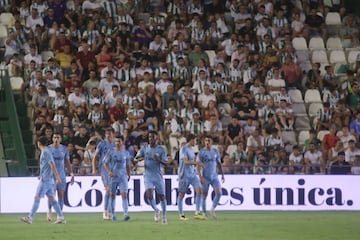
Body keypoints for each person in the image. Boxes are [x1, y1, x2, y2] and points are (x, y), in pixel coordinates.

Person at [20, 136, 66, 224]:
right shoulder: (46, 151)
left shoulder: (45, 152)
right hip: (48, 179)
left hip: (45, 180)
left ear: (39, 143)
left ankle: (30, 217)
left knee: (37, 197)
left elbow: (52, 164)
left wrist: (57, 177)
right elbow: (47, 165)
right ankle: (61, 217)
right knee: (52, 199)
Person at [134, 131, 168, 224]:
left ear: (156, 138)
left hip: (157, 176)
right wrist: (139, 158)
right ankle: (156, 210)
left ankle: (164, 216)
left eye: (152, 137)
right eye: (149, 137)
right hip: (148, 176)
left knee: (162, 196)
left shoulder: (161, 150)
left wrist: (159, 160)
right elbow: (136, 158)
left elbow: (166, 163)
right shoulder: (145, 148)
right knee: (149, 195)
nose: (150, 139)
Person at [46, 132, 74, 221]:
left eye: (58, 137)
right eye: (54, 137)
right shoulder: (48, 149)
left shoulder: (64, 149)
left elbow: (67, 162)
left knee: (61, 195)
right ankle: (49, 210)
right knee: (51, 195)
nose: (56, 139)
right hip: (51, 175)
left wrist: (71, 173)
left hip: (61, 175)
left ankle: (59, 215)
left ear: (60, 139)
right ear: (52, 139)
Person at [177, 134, 205, 221]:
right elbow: (185, 162)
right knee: (181, 194)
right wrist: (197, 163)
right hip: (184, 175)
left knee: (199, 190)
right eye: (195, 140)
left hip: (192, 174)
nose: (196, 142)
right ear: (191, 140)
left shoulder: (192, 149)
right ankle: (181, 214)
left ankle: (197, 213)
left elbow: (192, 162)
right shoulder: (183, 149)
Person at [104, 135, 131, 222]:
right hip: (113, 176)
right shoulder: (111, 152)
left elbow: (127, 165)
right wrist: (109, 172)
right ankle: (113, 214)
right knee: (112, 196)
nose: (117, 143)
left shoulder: (126, 153)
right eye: (115, 141)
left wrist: (129, 174)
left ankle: (126, 214)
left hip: (123, 176)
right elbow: (105, 163)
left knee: (124, 195)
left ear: (122, 142)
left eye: (118, 141)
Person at [197, 136, 225, 219]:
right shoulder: (201, 152)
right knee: (204, 195)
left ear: (212, 142)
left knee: (219, 193)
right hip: (205, 177)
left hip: (214, 176)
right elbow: (198, 165)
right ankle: (204, 213)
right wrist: (200, 176)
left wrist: (222, 174)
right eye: (206, 140)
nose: (207, 142)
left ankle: (212, 209)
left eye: (209, 140)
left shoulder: (215, 151)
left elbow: (219, 164)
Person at [92, 127, 115, 220]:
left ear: (113, 134)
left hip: (114, 170)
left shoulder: (115, 144)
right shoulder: (102, 144)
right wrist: (94, 168)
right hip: (104, 169)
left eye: (110, 133)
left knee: (112, 191)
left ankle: (110, 211)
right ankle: (106, 211)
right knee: (108, 190)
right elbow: (95, 157)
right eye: (107, 133)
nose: (108, 135)